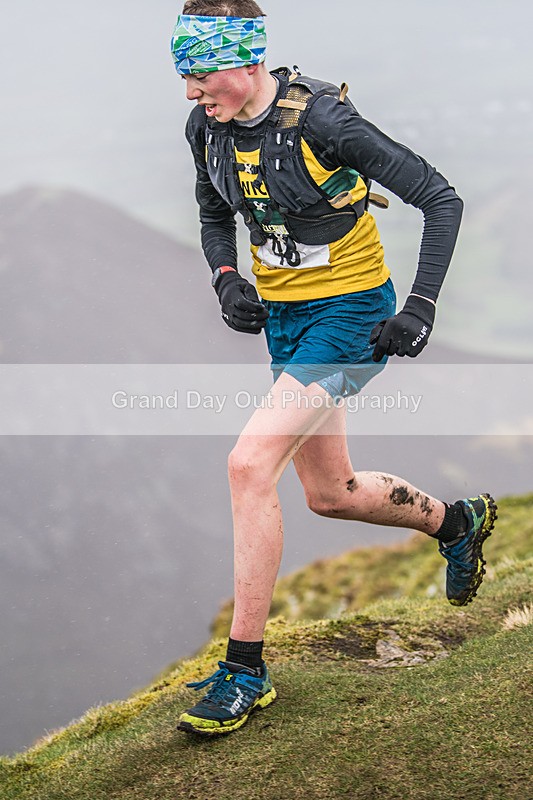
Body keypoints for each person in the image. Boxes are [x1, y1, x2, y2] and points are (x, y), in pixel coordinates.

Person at [170, 0, 497, 736]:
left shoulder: (323, 120)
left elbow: (439, 199)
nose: (190, 91)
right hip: (287, 321)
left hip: (351, 317)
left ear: (247, 59)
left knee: (248, 465)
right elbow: (212, 212)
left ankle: (245, 670)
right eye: (183, 76)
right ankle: (456, 523)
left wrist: (419, 308)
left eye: (201, 73)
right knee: (330, 493)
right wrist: (226, 276)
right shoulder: (206, 127)